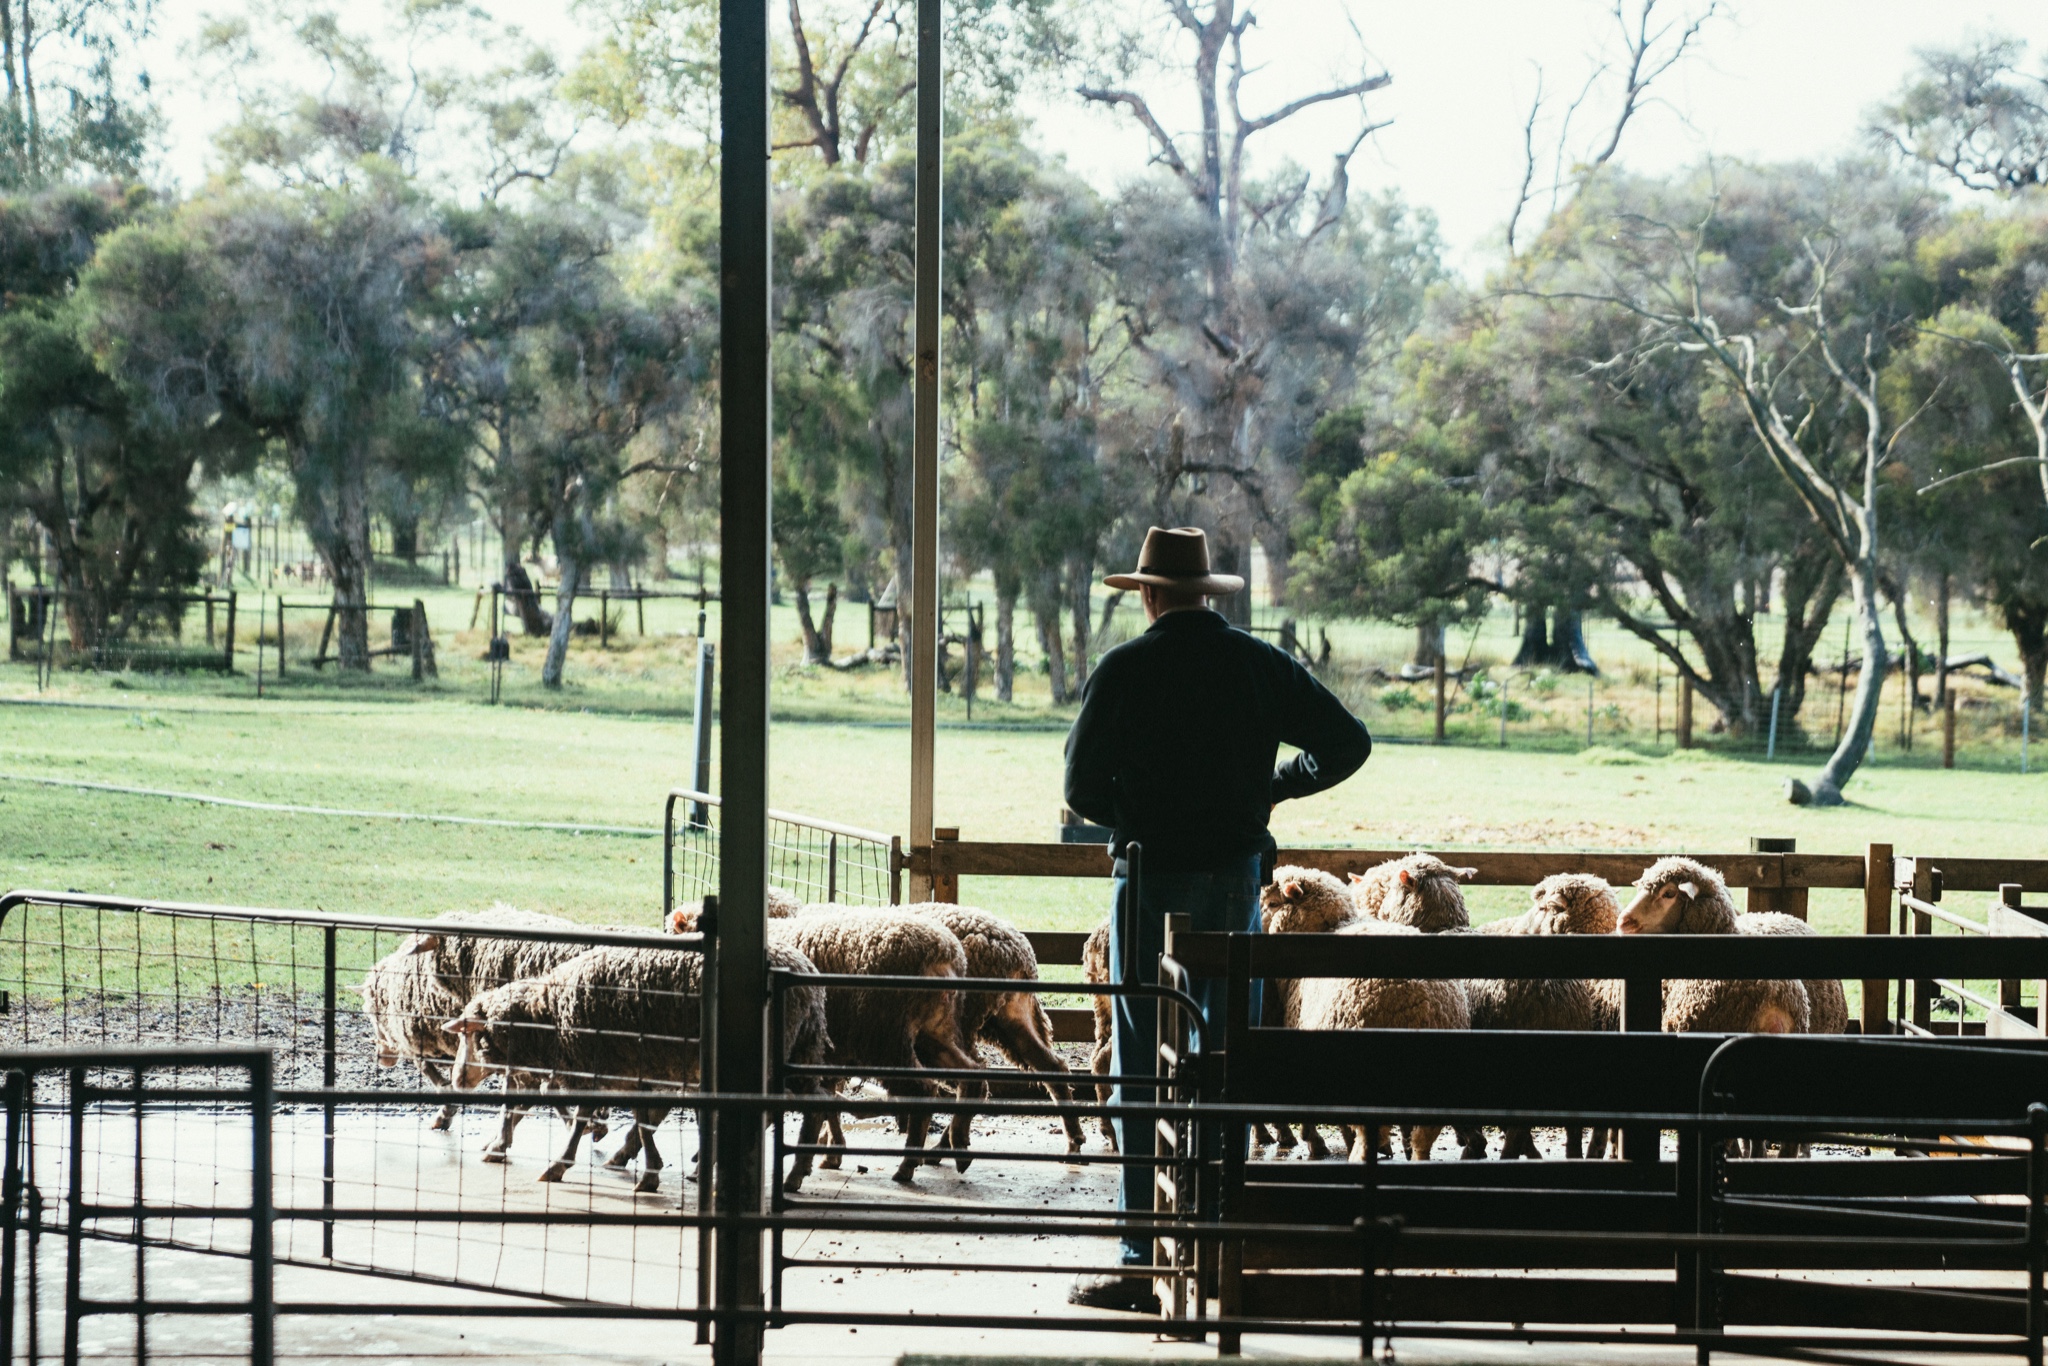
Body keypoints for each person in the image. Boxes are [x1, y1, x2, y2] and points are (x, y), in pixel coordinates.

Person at [1061, 525, 1371, 1313]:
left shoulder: (1125, 670)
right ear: (1205, 593)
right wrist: (1276, 785)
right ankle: (1221, 1241)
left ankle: (1142, 1252)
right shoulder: (1260, 665)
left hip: (1151, 875)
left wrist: (1134, 811)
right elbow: (1348, 741)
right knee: (1224, 1056)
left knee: (1141, 1057)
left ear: (1150, 595)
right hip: (1237, 884)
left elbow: (1080, 788)